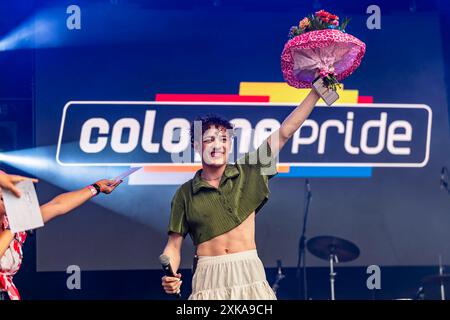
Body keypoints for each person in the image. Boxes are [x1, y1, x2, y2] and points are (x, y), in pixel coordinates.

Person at [161, 89, 320, 299]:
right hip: (208, 279)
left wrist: (316, 92)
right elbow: (173, 247)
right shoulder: (184, 194)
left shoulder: (249, 170)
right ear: (197, 146)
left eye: (224, 139)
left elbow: (285, 132)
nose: (218, 145)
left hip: (249, 272)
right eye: (209, 140)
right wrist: (170, 276)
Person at [0, 170, 122, 300]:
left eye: (6, 190)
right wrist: (13, 227)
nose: (5, 193)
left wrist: (96, 187)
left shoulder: (15, 222)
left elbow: (57, 205)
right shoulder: (15, 224)